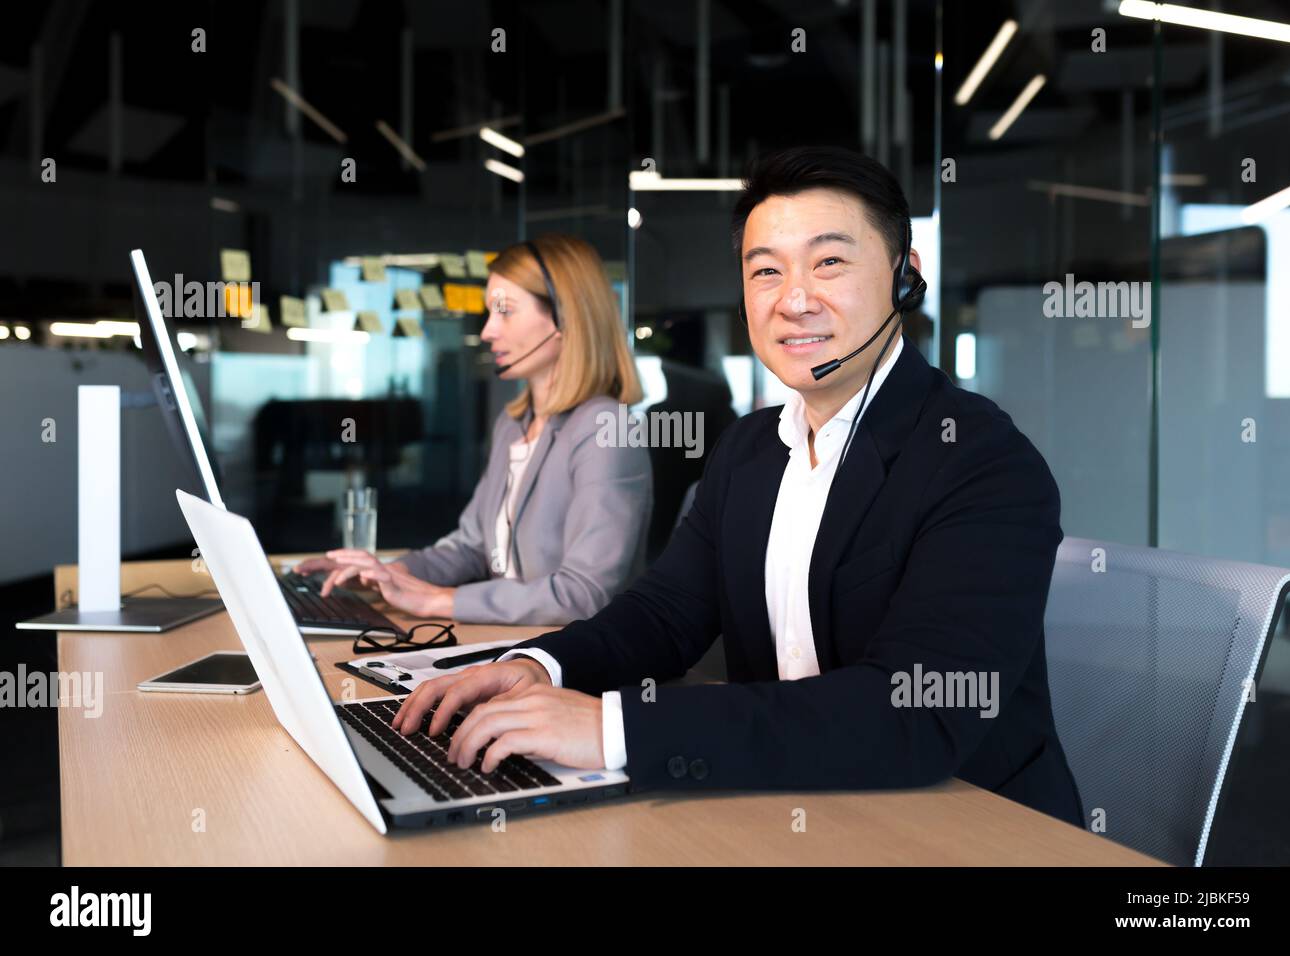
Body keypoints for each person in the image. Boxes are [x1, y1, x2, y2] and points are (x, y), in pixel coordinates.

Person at [387, 146, 1085, 827]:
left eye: (830, 262)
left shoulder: (982, 462)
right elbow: (665, 613)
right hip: (791, 808)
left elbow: (914, 713)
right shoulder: (750, 450)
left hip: (968, 826)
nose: (795, 300)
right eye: (765, 271)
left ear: (906, 276)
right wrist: (543, 666)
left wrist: (614, 728)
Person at [296, 234, 651, 627]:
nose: (487, 331)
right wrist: (385, 575)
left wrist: (440, 602)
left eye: (505, 311)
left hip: (575, 665)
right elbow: (471, 547)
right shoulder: (513, 424)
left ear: (566, 318)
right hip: (511, 644)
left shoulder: (608, 430)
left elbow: (584, 594)